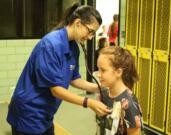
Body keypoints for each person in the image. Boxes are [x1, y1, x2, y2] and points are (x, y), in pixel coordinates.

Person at [7, 3, 111, 135]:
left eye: (93, 33)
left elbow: (74, 79)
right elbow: (56, 90)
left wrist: (98, 87)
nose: (90, 37)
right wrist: (88, 102)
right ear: (78, 23)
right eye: (90, 31)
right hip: (29, 112)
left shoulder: (73, 47)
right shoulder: (50, 45)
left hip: (46, 113)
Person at [96, 46, 143, 135]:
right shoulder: (103, 93)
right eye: (98, 69)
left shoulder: (129, 103)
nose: (98, 74)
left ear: (118, 72)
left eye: (103, 70)